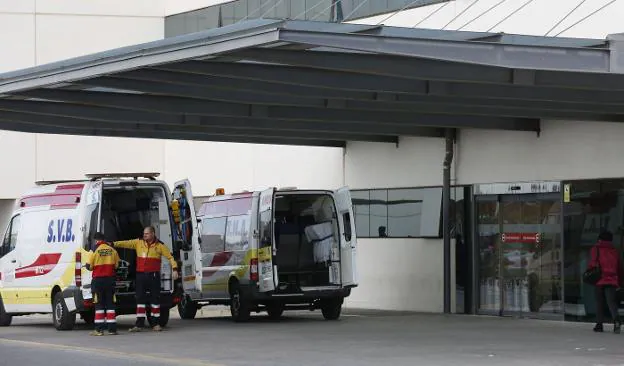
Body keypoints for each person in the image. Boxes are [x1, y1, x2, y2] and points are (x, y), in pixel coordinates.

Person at [113, 226, 179, 332]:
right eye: (144, 233)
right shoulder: (138, 243)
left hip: (153, 276)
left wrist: (175, 269)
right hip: (141, 276)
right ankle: (139, 324)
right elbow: (126, 243)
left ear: (153, 233)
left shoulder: (160, 246)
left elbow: (170, 257)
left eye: (147, 234)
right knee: (140, 299)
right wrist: (113, 244)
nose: (144, 235)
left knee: (155, 300)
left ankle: (155, 324)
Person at [588, 230, 622, 334]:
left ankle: (599, 325)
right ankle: (616, 320)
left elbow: (593, 264)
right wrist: (620, 282)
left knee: (600, 303)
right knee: (611, 302)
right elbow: (619, 267)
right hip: (612, 279)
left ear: (600, 239)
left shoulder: (595, 249)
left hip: (600, 279)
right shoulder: (615, 251)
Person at [85, 232, 120, 336]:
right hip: (110, 280)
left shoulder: (94, 250)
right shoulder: (112, 250)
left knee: (99, 305)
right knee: (110, 304)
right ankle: (112, 330)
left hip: (98, 281)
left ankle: (99, 330)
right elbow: (117, 265)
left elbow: (89, 266)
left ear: (96, 240)